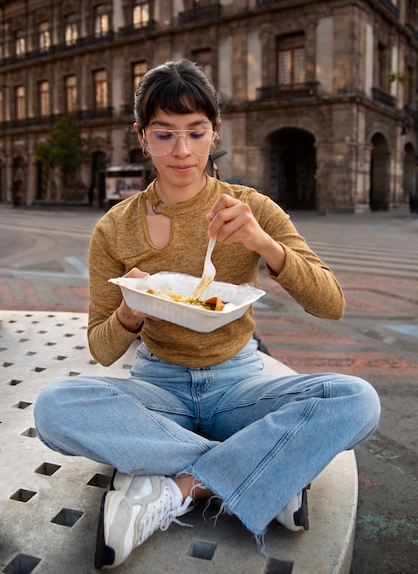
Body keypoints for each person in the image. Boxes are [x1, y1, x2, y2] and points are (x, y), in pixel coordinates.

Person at [34, 59, 380, 570]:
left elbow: (331, 302)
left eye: (197, 132)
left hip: (239, 384)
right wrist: (130, 312)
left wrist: (264, 244)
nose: (182, 150)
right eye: (164, 134)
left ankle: (178, 487)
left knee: (356, 399)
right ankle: (264, 466)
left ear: (214, 132)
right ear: (141, 136)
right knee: (54, 407)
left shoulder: (249, 206)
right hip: (158, 390)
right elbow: (102, 350)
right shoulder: (114, 229)